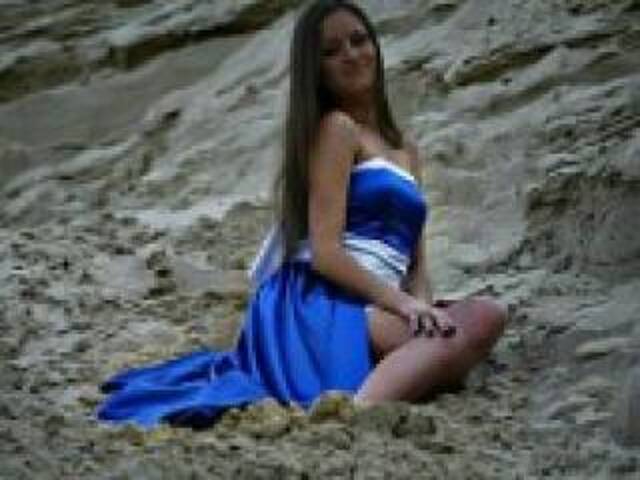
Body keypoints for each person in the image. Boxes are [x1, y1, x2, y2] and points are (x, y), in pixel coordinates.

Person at [97, 0, 506, 429]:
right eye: (331, 51)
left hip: (386, 301)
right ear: (316, 70)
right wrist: (402, 305)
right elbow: (326, 253)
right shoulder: (337, 130)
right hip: (328, 301)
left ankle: (385, 377)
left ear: (376, 46)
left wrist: (419, 307)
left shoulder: (406, 150)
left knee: (485, 314)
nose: (351, 55)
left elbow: (416, 262)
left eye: (359, 40)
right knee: (460, 335)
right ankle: (353, 413)